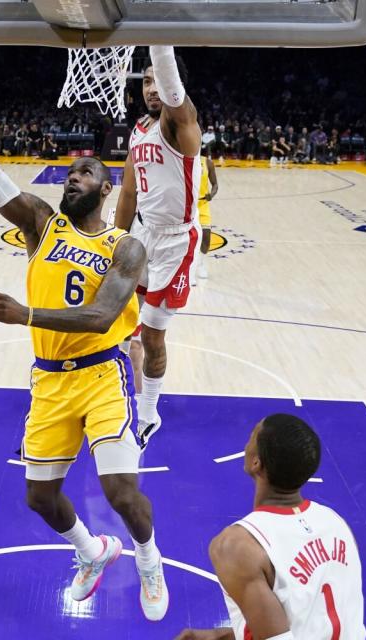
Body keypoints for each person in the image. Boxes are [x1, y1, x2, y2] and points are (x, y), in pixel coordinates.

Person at [0, 45, 170, 622]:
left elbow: (100, 319)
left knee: (122, 490)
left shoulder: (124, 247)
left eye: (87, 174)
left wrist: (25, 315)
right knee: (39, 498)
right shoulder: (41, 226)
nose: (74, 179)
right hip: (49, 381)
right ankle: (92, 552)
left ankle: (149, 558)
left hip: (101, 376)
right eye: (70, 173)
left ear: (105, 189)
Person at [174, 414, 366, 640]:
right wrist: (224, 635)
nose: (247, 442)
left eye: (252, 435)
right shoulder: (336, 523)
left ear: (256, 462)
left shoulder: (236, 546)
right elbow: (310, 621)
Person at [114, 46, 202, 449]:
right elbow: (129, 192)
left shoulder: (179, 122)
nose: (151, 88)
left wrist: (156, 31)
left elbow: (173, 91)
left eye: (157, 81)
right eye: (145, 81)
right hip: (143, 234)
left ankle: (149, 411)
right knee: (124, 324)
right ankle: (119, 389)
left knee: (152, 335)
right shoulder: (138, 131)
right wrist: (112, 241)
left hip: (176, 243)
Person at [192, 154, 218, 285]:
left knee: (206, 238)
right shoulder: (182, 158)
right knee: (186, 240)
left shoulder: (207, 162)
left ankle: (200, 264)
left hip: (202, 205)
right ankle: (187, 271)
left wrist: (211, 195)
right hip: (187, 205)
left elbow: (215, 185)